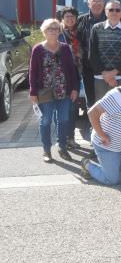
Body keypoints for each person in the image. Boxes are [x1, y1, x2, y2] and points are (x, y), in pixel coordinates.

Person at [29, 18, 79, 163]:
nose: (53, 32)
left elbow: (72, 70)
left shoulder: (65, 48)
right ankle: (46, 150)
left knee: (63, 120)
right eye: (50, 29)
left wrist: (75, 89)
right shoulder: (38, 49)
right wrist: (33, 92)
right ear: (44, 32)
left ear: (59, 31)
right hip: (44, 92)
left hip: (64, 91)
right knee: (45, 121)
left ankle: (62, 148)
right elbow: (32, 72)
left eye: (56, 29)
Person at [89, 0, 121, 101]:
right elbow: (93, 54)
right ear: (105, 12)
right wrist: (106, 75)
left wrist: (113, 73)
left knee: (120, 108)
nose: (114, 12)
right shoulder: (96, 28)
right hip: (101, 78)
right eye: (111, 10)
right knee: (102, 111)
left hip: (120, 77)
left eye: (117, 10)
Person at [77, 0, 106, 109]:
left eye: (100, 1)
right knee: (91, 100)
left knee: (107, 99)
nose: (97, 3)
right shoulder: (81, 20)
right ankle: (93, 126)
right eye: (94, 1)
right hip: (88, 68)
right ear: (88, 4)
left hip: (107, 67)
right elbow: (75, 41)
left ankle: (107, 126)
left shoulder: (112, 16)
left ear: (104, 3)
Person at [58, 6, 82, 149]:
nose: (70, 19)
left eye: (72, 16)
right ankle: (62, 138)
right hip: (61, 75)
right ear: (62, 19)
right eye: (67, 16)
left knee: (73, 108)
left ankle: (70, 137)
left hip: (78, 74)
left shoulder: (80, 32)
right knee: (62, 108)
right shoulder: (58, 32)